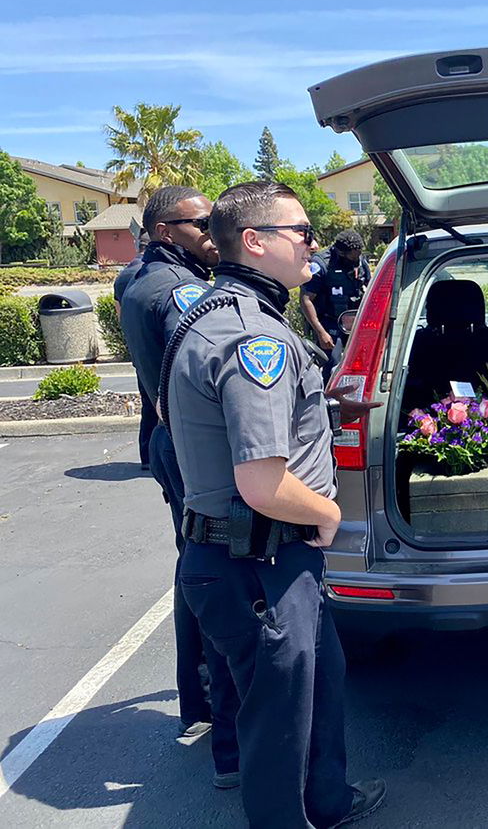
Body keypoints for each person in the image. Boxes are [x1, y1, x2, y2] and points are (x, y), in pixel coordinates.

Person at [163, 181, 385, 828]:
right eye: (302, 232)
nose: (312, 244)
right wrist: (327, 512)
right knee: (277, 728)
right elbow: (262, 483)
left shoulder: (204, 317)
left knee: (320, 683)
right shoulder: (253, 338)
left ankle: (330, 801)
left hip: (249, 555)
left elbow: (170, 418)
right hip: (258, 561)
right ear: (256, 242)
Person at [118, 186, 241, 786]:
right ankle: (218, 706)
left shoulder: (136, 277)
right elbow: (202, 378)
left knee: (194, 560)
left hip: (165, 444)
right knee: (214, 565)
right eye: (201, 223)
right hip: (192, 446)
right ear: (166, 230)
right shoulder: (183, 292)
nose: (212, 232)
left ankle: (198, 700)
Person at [300, 229, 371, 381]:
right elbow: (306, 299)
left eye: (359, 253)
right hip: (330, 323)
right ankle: (329, 401)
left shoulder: (360, 261)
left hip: (356, 322)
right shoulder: (321, 264)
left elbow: (370, 287)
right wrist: (320, 332)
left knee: (363, 366)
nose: (357, 258)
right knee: (332, 366)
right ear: (341, 252)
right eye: (354, 254)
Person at [113, 226, 154, 470]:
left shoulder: (123, 276)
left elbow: (120, 317)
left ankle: (146, 456)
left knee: (147, 403)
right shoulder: (150, 273)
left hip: (138, 347)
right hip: (159, 346)